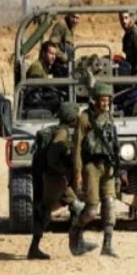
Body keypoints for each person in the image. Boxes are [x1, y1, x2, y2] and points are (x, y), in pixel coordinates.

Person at [27, 102, 86, 260]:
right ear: (71, 117)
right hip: (55, 179)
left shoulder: (61, 130)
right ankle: (36, 247)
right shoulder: (62, 133)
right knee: (46, 211)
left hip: (55, 178)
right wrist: (62, 169)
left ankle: (76, 243)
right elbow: (52, 156)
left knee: (75, 207)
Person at [70, 82, 119, 257]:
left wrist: (118, 168)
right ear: (95, 100)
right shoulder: (84, 118)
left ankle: (107, 245)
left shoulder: (109, 117)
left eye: (107, 100)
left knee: (110, 204)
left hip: (108, 166)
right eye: (103, 100)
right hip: (91, 167)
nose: (105, 103)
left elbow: (114, 142)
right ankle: (76, 230)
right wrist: (78, 172)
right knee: (91, 210)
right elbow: (77, 147)